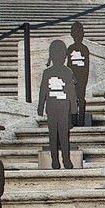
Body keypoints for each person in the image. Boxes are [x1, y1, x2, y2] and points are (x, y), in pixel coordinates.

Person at [38, 39, 79, 170]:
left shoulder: (65, 72)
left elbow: (71, 93)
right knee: (58, 135)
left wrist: (74, 110)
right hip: (58, 108)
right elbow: (43, 90)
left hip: (60, 108)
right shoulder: (57, 72)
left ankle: (62, 159)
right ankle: (59, 160)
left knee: (59, 135)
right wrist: (40, 106)